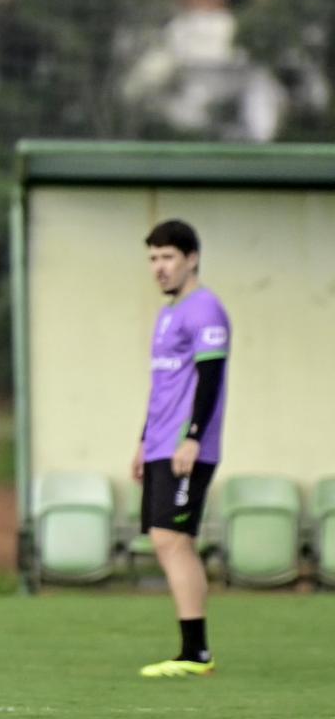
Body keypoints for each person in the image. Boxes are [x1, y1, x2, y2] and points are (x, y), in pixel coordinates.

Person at [134, 219, 230, 678]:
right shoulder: (169, 313)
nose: (159, 267)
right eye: (152, 258)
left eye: (167, 257)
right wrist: (141, 441)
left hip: (185, 447)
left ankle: (196, 653)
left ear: (191, 258)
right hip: (159, 445)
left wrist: (192, 437)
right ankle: (193, 651)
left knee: (172, 540)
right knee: (166, 540)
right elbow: (162, 388)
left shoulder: (205, 310)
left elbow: (209, 380)